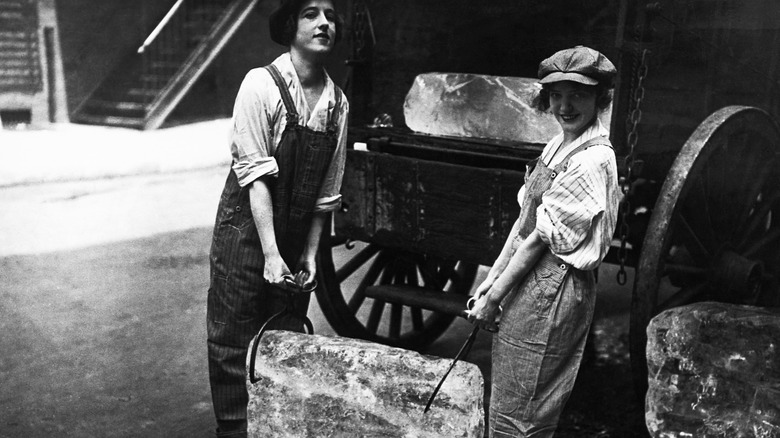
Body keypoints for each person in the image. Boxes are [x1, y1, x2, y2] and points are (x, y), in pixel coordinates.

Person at [206, 0, 347, 436]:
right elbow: (255, 176)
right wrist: (270, 253)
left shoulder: (337, 103)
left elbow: (327, 192)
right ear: (290, 25)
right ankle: (234, 431)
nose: (325, 23)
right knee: (233, 342)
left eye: (330, 15)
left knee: (284, 341)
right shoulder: (260, 86)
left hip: (293, 238)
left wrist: (308, 254)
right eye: (311, 14)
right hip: (246, 233)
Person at [467, 46, 620, 437]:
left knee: (527, 410)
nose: (565, 107)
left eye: (578, 95)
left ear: (600, 99)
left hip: (556, 287)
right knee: (509, 399)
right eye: (556, 95)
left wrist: (495, 297)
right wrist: (492, 278)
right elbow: (524, 223)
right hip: (531, 276)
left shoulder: (592, 159)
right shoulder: (557, 145)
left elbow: (539, 238)